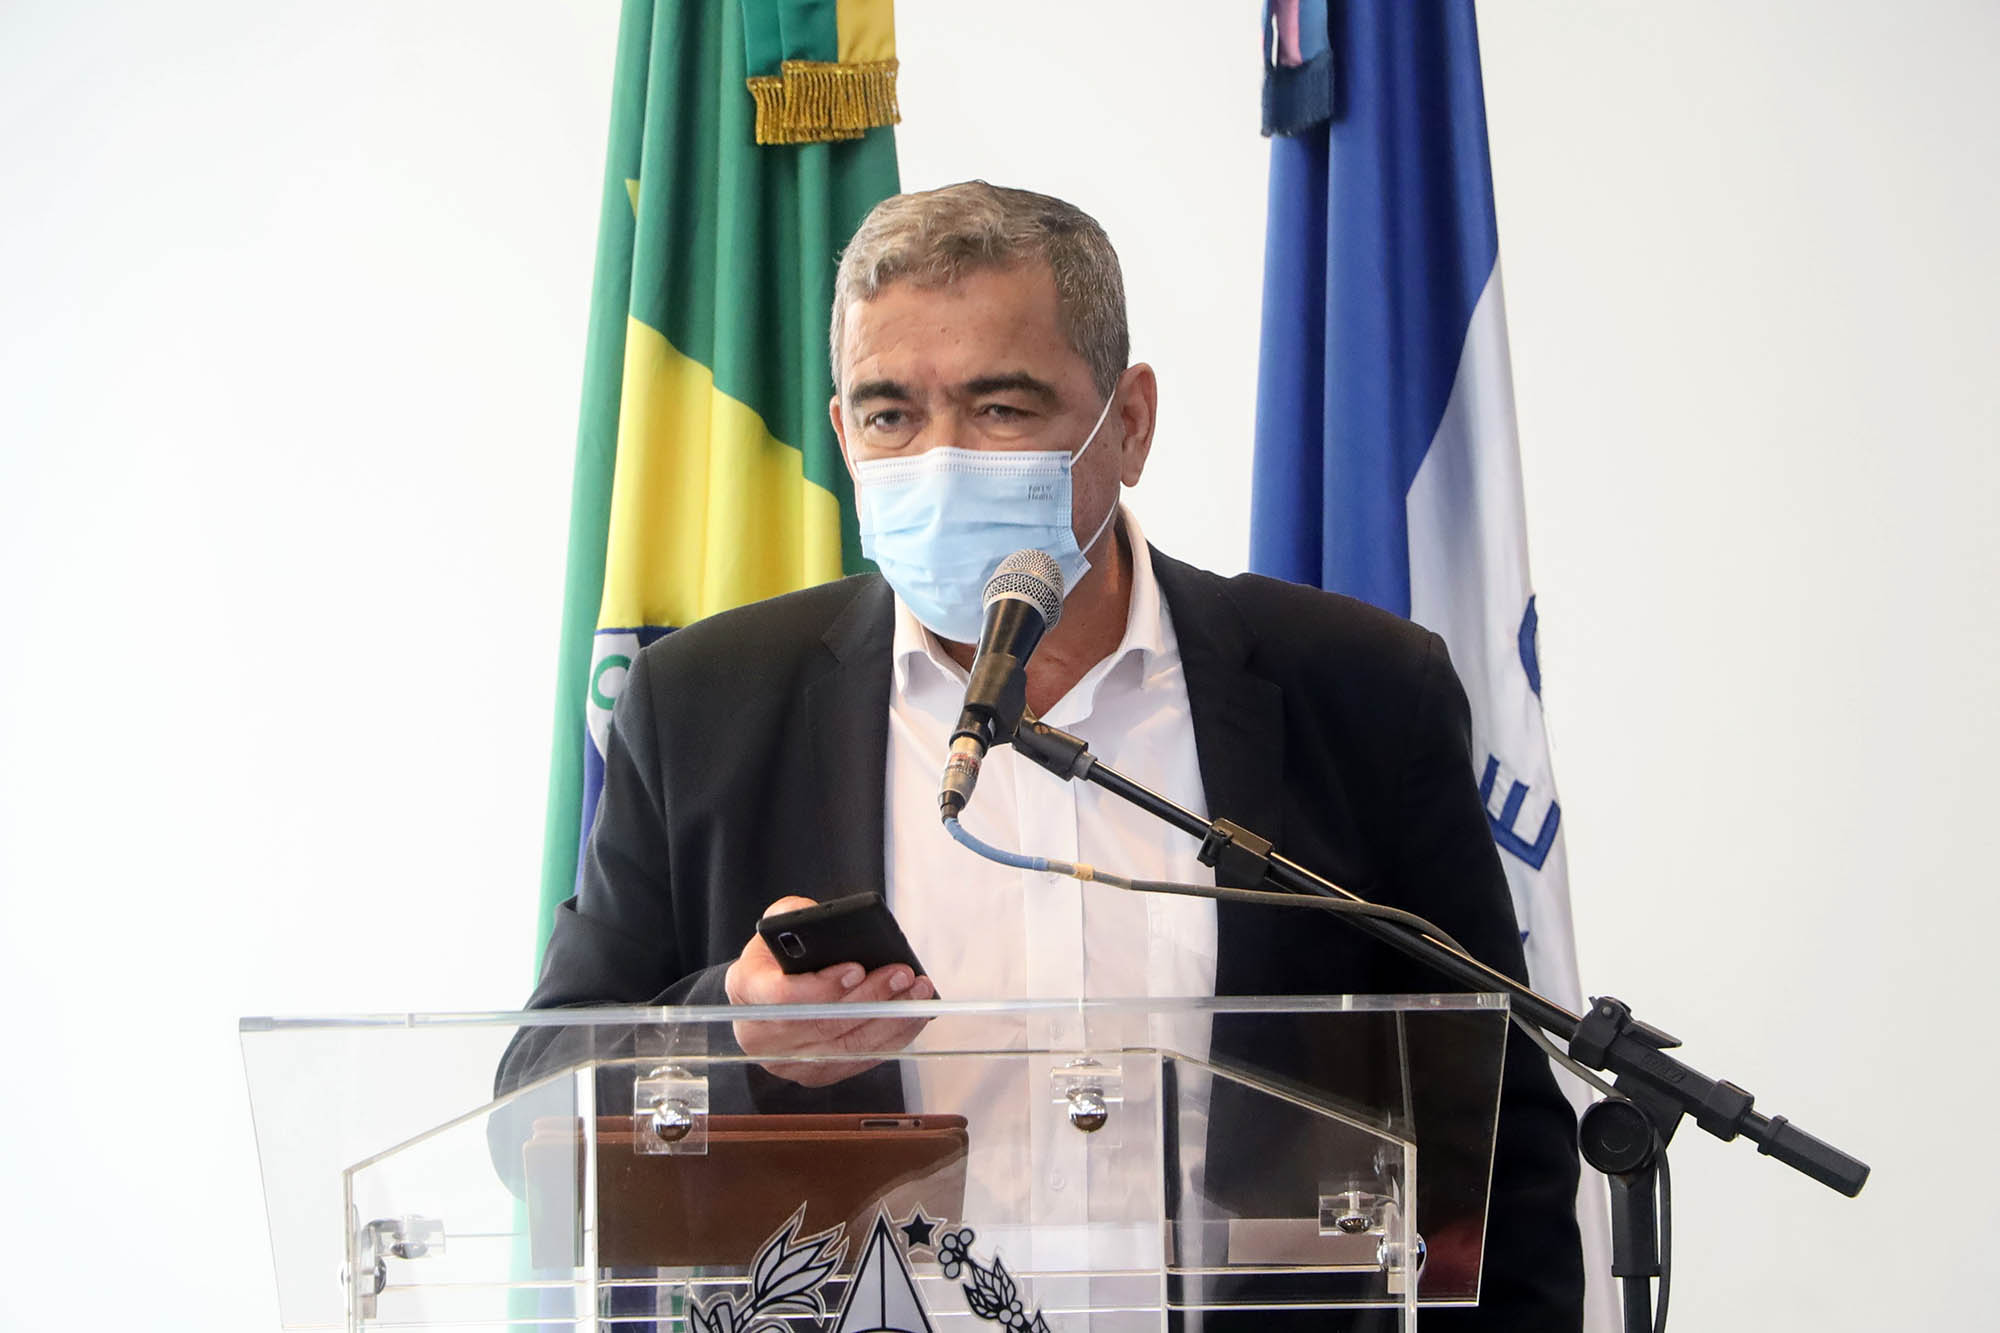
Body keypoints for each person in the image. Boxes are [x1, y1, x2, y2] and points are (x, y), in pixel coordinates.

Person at [507, 182, 1583, 1329]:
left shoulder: (1359, 694)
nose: (938, 459)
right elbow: (529, 1110)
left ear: (1129, 422)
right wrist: (734, 1033)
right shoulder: (705, 706)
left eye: (999, 408)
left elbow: (1497, 1145)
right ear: (842, 434)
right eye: (889, 415)